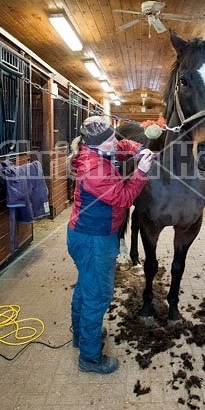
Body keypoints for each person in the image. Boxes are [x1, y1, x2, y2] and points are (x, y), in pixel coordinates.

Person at [67, 115, 154, 374]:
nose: (115, 142)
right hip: (95, 238)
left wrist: (141, 149)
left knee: (85, 286)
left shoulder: (96, 149)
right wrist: (141, 172)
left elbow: (122, 144)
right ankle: (90, 358)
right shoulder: (95, 170)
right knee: (98, 296)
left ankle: (82, 334)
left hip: (86, 234)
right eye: (110, 139)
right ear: (98, 145)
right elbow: (124, 198)